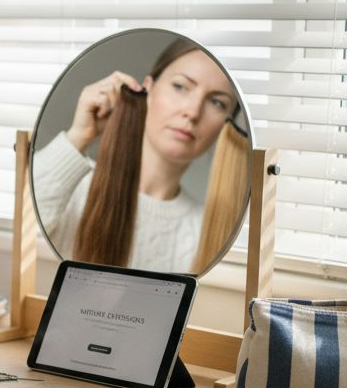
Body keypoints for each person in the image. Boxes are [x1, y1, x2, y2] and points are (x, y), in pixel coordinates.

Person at [32, 38, 242, 273]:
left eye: (216, 102)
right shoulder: (71, 187)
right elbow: (21, 230)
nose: (192, 112)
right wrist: (79, 136)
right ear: (148, 88)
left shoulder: (207, 233)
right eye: (180, 86)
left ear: (226, 125)